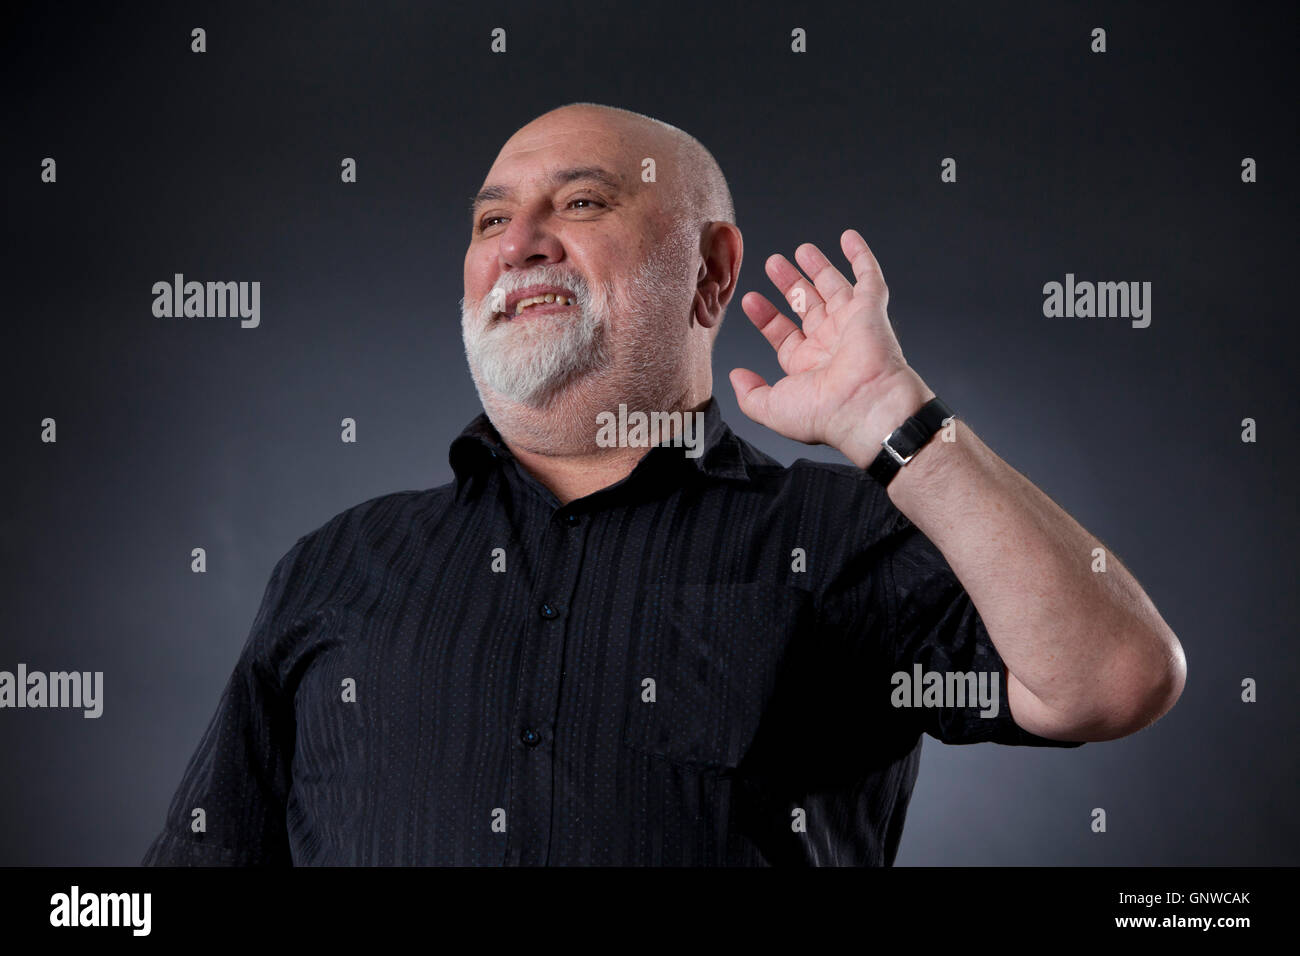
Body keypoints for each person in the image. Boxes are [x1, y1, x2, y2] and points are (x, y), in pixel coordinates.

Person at [142, 102, 1185, 866]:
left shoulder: (837, 534)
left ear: (711, 268)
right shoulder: (338, 563)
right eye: (488, 220)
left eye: (582, 201)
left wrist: (895, 426)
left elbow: (1112, 679)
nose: (519, 244)